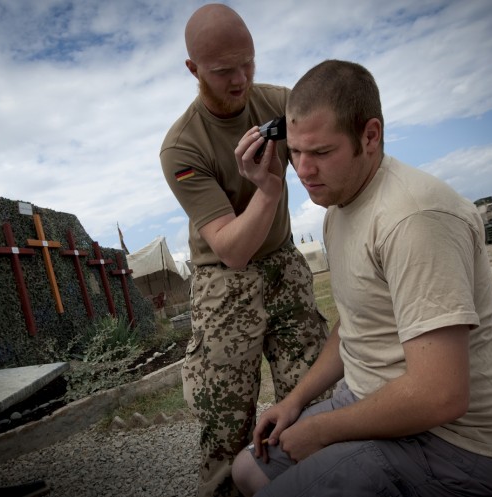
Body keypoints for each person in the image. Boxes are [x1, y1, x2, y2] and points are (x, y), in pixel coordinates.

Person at [231, 59, 492, 497]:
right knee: (246, 470)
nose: (303, 170)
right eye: (295, 152)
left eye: (321, 153)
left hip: (458, 445)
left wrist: (324, 430)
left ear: (370, 136)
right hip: (378, 399)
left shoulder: (413, 217)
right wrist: (293, 401)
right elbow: (355, 324)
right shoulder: (340, 208)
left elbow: (442, 394)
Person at [159, 5, 329, 497]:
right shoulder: (182, 147)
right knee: (225, 422)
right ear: (193, 70)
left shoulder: (281, 103)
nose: (241, 79)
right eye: (223, 70)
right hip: (223, 281)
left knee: (314, 399)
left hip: (283, 265)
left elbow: (331, 144)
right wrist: (270, 191)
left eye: (248, 63)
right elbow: (231, 249)